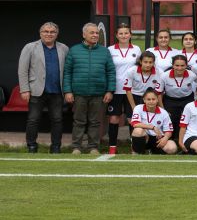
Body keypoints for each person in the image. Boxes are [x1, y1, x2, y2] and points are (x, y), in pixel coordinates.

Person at [63, 22, 116, 155]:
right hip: (78, 93)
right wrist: (68, 91)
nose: (95, 35)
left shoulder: (105, 51)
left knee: (95, 122)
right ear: (84, 34)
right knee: (79, 121)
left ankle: (93, 147)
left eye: (97, 33)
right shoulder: (74, 50)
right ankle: (76, 147)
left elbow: (110, 72)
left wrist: (110, 90)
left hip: (99, 93)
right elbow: (67, 72)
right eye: (92, 33)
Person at [18, 22, 69, 153]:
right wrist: (25, 89)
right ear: (40, 33)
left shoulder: (64, 48)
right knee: (33, 119)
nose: (49, 34)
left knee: (57, 120)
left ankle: (56, 147)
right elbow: (22, 70)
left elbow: (68, 71)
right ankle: (32, 146)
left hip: (57, 91)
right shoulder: (30, 47)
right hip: (36, 90)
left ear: (57, 34)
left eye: (52, 32)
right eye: (46, 31)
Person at [106, 23, 141, 154]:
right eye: (120, 33)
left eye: (126, 33)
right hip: (115, 89)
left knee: (132, 119)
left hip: (132, 90)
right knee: (114, 118)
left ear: (130, 35)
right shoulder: (110, 49)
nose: (123, 35)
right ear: (116, 35)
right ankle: (112, 148)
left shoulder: (136, 49)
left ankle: (134, 148)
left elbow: (140, 67)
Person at [160, 55, 197, 142]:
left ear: (186, 65)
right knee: (171, 120)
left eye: (182, 65)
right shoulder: (164, 76)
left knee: (187, 120)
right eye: (177, 65)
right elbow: (159, 93)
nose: (179, 68)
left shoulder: (192, 75)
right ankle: (171, 141)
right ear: (172, 65)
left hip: (187, 99)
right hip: (170, 100)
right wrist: (162, 108)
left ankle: (186, 141)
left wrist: (196, 99)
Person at [129, 89, 178, 155]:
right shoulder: (138, 108)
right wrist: (153, 127)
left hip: (157, 138)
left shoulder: (163, 112)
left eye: (153, 99)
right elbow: (135, 124)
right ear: (144, 100)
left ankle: (154, 152)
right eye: (148, 99)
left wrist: (165, 138)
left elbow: (169, 131)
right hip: (145, 137)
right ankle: (137, 152)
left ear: (157, 100)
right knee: (138, 131)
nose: (151, 101)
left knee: (172, 148)